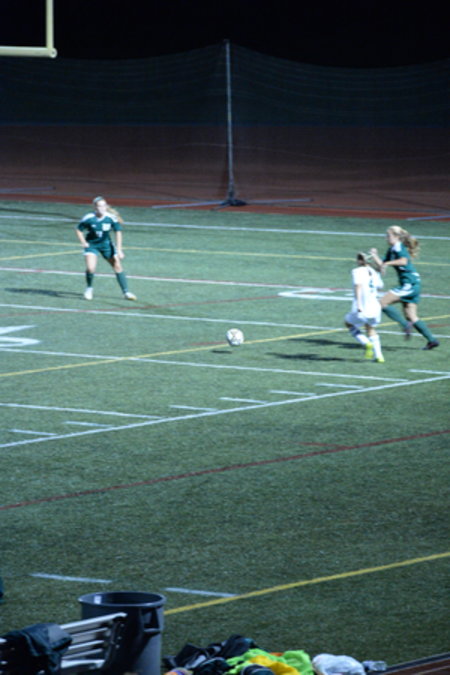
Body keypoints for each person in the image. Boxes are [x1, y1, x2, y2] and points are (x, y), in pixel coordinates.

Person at [369, 225, 439, 350]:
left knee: (381, 303)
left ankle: (405, 325)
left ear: (396, 236)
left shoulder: (399, 247)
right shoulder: (392, 249)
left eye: (388, 235)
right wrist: (374, 256)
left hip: (409, 283)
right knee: (412, 316)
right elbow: (381, 265)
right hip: (412, 283)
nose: (386, 238)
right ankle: (432, 340)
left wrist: (387, 263)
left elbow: (403, 261)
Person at [76, 196, 137, 301]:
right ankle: (89, 289)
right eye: (99, 206)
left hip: (106, 245)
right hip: (92, 245)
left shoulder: (110, 218)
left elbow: (118, 232)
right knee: (90, 268)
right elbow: (78, 229)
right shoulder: (89, 218)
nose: (102, 208)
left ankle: (126, 292)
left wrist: (119, 250)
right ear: (95, 207)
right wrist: (83, 242)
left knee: (117, 266)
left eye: (104, 206)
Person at [345, 252, 384, 363]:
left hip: (363, 307)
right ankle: (379, 356)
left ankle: (366, 343)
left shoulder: (357, 271)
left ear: (361, 261)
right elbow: (380, 286)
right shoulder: (374, 272)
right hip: (375, 307)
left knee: (348, 323)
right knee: (371, 328)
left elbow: (358, 286)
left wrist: (359, 305)